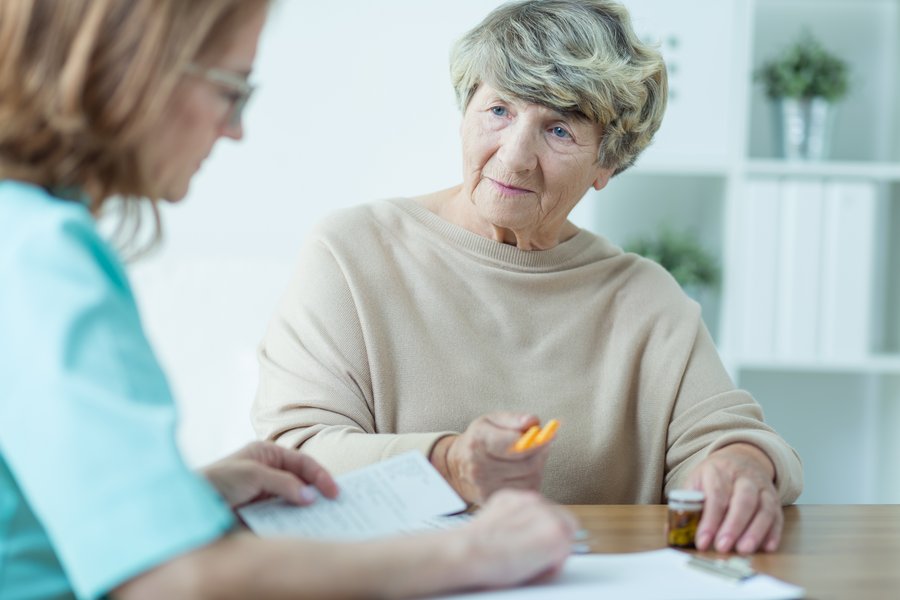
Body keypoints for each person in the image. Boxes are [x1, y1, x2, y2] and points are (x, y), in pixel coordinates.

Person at [0, 1, 579, 598]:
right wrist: (475, 551)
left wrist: (187, 499)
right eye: (232, 91)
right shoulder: (43, 257)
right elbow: (173, 583)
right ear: (134, 68)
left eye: (561, 128)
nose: (235, 129)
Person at [252, 0, 803, 556]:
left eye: (559, 129)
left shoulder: (643, 298)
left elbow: (725, 437)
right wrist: (449, 463)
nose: (514, 157)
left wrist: (740, 464)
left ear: (607, 163)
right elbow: (296, 453)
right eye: (499, 111)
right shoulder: (351, 252)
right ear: (466, 107)